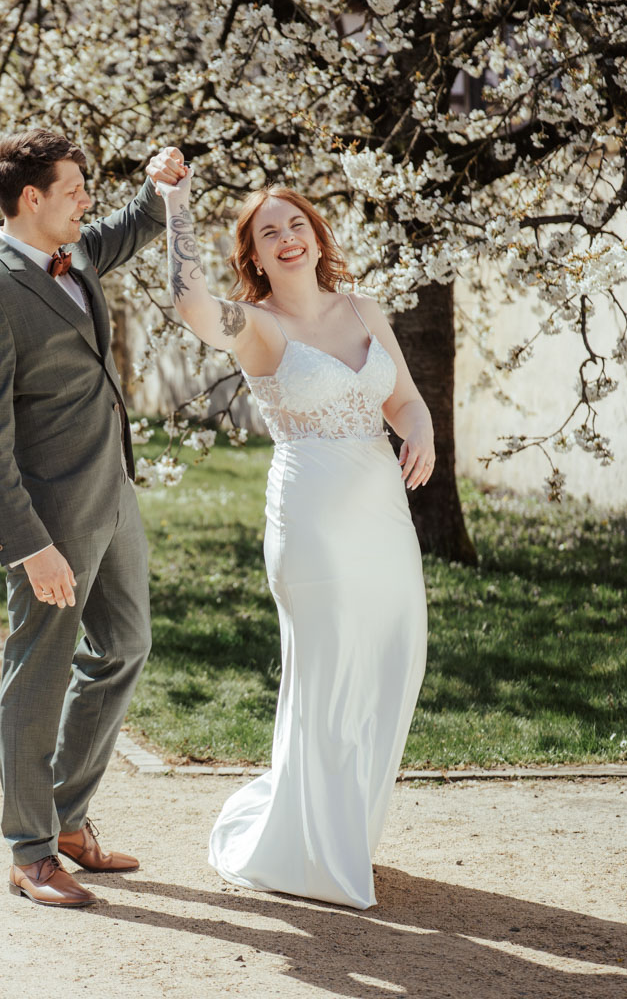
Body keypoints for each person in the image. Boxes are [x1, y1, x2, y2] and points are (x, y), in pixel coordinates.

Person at [157, 165, 432, 909]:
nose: (285, 238)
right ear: (252, 253)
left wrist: (423, 433)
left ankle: (344, 828)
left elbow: (403, 400)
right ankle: (314, 851)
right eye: (267, 231)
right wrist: (174, 201)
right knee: (329, 673)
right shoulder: (261, 327)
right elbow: (187, 302)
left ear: (317, 235)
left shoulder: (364, 308)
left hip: (383, 517)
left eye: (295, 224)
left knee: (392, 663)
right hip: (311, 521)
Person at [0, 129, 185, 908]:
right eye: (76, 187)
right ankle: (30, 851)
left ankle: (69, 814)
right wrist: (31, 547)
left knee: (126, 645)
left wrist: (161, 185)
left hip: (113, 497)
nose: (88, 199)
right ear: (31, 198)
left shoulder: (74, 253)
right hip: (48, 523)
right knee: (39, 674)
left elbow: (134, 225)